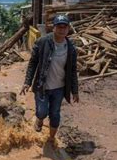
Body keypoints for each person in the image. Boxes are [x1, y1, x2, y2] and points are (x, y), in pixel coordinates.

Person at [20, 15, 79, 147]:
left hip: (59, 88)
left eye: (65, 27)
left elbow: (73, 70)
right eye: (59, 26)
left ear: (68, 29)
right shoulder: (42, 42)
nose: (62, 30)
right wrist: (27, 82)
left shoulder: (70, 48)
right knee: (42, 112)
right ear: (54, 28)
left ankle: (51, 139)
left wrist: (75, 91)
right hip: (42, 86)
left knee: (55, 114)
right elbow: (33, 63)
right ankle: (39, 120)